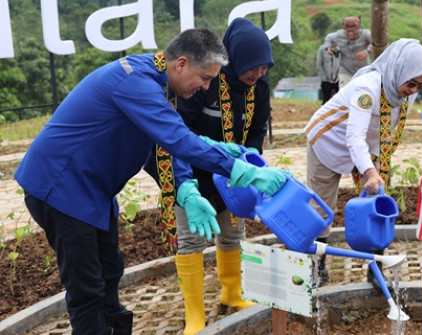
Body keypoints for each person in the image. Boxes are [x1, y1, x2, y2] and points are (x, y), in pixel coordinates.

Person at [14, 28, 290, 335]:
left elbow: (168, 141)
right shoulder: (136, 83)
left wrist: (189, 182)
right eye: (205, 78)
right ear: (181, 64)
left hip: (94, 189)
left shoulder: (159, 81)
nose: (205, 87)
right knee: (86, 286)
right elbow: (177, 139)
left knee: (110, 269)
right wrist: (242, 171)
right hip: (62, 188)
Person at [149, 18, 274, 335]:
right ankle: (194, 314)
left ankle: (232, 292)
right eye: (252, 67)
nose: (257, 74)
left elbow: (258, 127)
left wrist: (251, 161)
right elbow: (181, 133)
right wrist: (188, 184)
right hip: (191, 169)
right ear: (236, 58)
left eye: (264, 67)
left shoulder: (258, 87)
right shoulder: (206, 81)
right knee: (191, 239)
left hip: (234, 173)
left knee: (233, 232)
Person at [304, 38, 422, 292]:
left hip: (367, 148)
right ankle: (316, 266)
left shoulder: (405, 93)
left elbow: (381, 131)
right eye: (411, 83)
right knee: (322, 206)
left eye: (420, 85)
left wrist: (372, 169)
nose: (414, 90)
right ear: (397, 71)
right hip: (328, 141)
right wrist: (369, 171)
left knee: (377, 202)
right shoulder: (366, 88)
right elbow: (354, 135)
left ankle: (375, 269)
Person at [325, 16, 372, 87]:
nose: (350, 33)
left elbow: (376, 43)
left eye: (353, 31)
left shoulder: (366, 34)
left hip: (363, 70)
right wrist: (329, 47)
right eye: (348, 31)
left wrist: (367, 51)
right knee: (344, 91)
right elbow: (328, 38)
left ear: (358, 28)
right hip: (345, 70)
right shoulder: (339, 35)